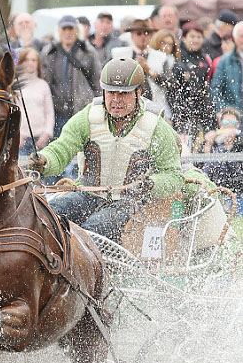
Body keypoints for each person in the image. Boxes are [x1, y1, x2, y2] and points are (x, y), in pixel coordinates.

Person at [28, 58, 183, 242]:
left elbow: (174, 176)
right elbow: (61, 148)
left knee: (90, 232)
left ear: (138, 92)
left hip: (131, 204)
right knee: (45, 218)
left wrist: (151, 183)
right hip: (86, 195)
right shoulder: (87, 117)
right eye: (110, 93)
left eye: (123, 94)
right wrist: (45, 160)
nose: (116, 100)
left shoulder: (156, 127)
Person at [41, 14, 100, 138]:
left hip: (81, 110)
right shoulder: (50, 52)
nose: (68, 33)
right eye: (64, 29)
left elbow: (97, 83)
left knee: (79, 150)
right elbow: (44, 83)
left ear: (77, 30)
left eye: (71, 29)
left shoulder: (88, 52)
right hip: (57, 112)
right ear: (59, 31)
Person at [168, 21, 215, 144]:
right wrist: (178, 113)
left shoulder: (205, 58)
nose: (196, 40)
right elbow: (172, 90)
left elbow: (207, 86)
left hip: (201, 112)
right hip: (181, 113)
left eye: (199, 37)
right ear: (184, 38)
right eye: (192, 36)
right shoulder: (177, 58)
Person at [14, 48, 54, 158]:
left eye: (33, 60)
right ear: (21, 63)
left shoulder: (43, 85)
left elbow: (49, 112)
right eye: (26, 60)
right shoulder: (15, 86)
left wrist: (46, 134)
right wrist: (16, 135)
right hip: (21, 141)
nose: (30, 63)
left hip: (40, 140)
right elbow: (12, 114)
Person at [202, 107, 243, 199]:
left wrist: (230, 144)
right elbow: (200, 161)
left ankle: (204, 178)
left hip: (237, 178)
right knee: (220, 154)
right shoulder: (214, 139)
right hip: (218, 178)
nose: (228, 126)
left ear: (237, 124)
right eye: (225, 123)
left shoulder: (241, 140)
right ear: (220, 123)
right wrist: (208, 144)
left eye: (232, 123)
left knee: (221, 150)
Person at [211, 20, 243, 114]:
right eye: (242, 37)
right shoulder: (224, 61)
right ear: (235, 38)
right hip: (232, 119)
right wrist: (226, 112)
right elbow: (216, 90)